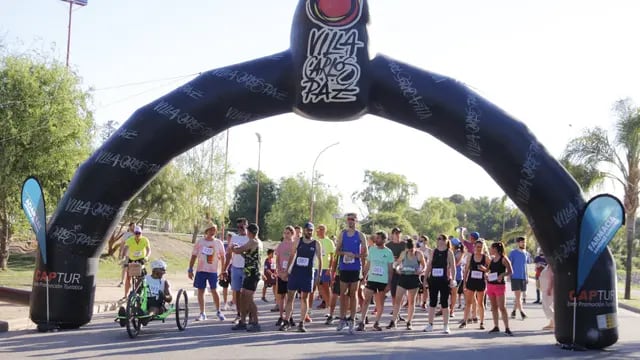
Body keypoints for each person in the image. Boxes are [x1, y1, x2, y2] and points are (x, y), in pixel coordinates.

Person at [281, 222, 323, 332]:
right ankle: (286, 321)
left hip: (308, 274)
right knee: (290, 297)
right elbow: (292, 255)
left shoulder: (316, 243)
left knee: (305, 298)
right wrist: (287, 271)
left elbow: (320, 260)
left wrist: (319, 275)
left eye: (311, 230)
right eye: (307, 230)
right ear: (303, 230)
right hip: (296, 272)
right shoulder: (298, 241)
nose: (309, 232)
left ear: (313, 231)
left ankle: (301, 322)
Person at [335, 212, 368, 333]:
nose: (350, 221)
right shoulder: (342, 234)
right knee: (342, 294)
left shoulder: (360, 235)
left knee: (353, 294)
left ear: (356, 221)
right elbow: (337, 251)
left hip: (355, 268)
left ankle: (352, 320)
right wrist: (345, 253)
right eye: (349, 219)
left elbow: (366, 254)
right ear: (346, 221)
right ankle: (342, 319)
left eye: (353, 219)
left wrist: (356, 256)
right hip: (344, 267)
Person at [116, 259, 172, 327]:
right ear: (155, 269)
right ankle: (125, 316)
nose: (164, 272)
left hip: (157, 303)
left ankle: (146, 317)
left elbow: (169, 298)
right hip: (143, 301)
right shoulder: (144, 279)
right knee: (136, 307)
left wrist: (164, 296)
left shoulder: (164, 282)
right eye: (162, 270)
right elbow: (136, 291)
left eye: (164, 270)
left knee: (153, 309)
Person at [188, 224, 226, 321]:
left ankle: (218, 311)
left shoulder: (218, 243)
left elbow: (223, 257)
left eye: (214, 230)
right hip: (201, 270)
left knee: (214, 290)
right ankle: (202, 313)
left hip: (212, 271)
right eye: (211, 230)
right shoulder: (200, 242)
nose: (212, 232)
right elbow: (194, 255)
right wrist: (190, 269)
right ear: (207, 231)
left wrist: (223, 270)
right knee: (201, 291)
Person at [358, 231, 394, 331]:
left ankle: (376, 322)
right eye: (376, 238)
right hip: (372, 279)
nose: (376, 240)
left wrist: (389, 284)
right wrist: (364, 278)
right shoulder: (372, 250)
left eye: (378, 238)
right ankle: (362, 322)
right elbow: (368, 264)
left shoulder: (388, 252)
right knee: (366, 301)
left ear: (384, 240)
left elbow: (390, 270)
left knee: (379, 304)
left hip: (382, 281)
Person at [388, 238, 426, 330]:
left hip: (413, 278)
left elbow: (424, 266)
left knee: (411, 301)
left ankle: (409, 322)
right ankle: (393, 321)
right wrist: (397, 269)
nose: (410, 252)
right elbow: (397, 263)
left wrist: (420, 271)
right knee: (398, 300)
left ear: (415, 248)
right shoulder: (404, 253)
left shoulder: (419, 254)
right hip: (403, 277)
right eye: (409, 250)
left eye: (412, 250)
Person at [230, 222, 262, 332]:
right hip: (248, 272)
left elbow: (239, 251)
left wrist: (233, 248)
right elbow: (246, 254)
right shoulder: (253, 242)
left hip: (253, 273)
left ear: (250, 232)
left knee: (249, 299)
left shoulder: (253, 242)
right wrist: (238, 250)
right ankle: (242, 321)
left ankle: (256, 322)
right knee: (243, 297)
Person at [424, 234, 456, 334]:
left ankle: (446, 326)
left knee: (444, 303)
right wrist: (425, 278)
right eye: (438, 239)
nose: (440, 240)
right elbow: (429, 265)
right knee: (432, 302)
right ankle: (430, 324)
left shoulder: (449, 252)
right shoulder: (434, 251)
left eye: (442, 239)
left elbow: (453, 267)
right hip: (433, 280)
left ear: (446, 241)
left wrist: (453, 280)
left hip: (444, 280)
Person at [222, 218, 250, 325]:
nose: (240, 229)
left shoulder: (250, 238)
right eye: (238, 227)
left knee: (246, 293)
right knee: (237, 292)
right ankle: (239, 314)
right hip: (235, 267)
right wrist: (224, 269)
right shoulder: (234, 237)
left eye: (242, 227)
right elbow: (228, 254)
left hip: (247, 268)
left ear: (246, 226)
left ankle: (248, 314)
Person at [460, 240, 490, 330]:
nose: (479, 248)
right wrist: (464, 282)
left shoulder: (486, 257)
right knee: (468, 302)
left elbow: (492, 268)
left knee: (480, 303)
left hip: (481, 282)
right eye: (477, 247)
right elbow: (466, 270)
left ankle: (481, 322)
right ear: (474, 247)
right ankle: (464, 321)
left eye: (480, 247)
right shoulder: (470, 257)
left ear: (483, 247)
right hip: (471, 281)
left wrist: (485, 270)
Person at [487, 241, 514, 336]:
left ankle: (507, 328)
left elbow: (511, 271)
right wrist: (486, 274)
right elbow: (489, 270)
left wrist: (502, 275)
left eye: (491, 248)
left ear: (496, 249)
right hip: (490, 285)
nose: (490, 249)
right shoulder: (492, 259)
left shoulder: (503, 258)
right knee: (493, 307)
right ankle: (496, 326)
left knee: (502, 307)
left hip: (499, 286)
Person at [275, 226, 296, 327]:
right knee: (282, 296)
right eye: (285, 233)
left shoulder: (294, 245)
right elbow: (277, 259)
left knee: (290, 296)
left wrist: (289, 272)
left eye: (288, 233)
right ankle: (281, 316)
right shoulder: (280, 245)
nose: (286, 235)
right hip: (281, 274)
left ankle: (290, 316)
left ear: (292, 234)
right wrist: (280, 272)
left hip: (291, 274)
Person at [122, 226, 151, 299]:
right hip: (132, 259)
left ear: (141, 233)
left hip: (141, 259)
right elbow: (125, 249)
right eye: (136, 233)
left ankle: (139, 292)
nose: (137, 235)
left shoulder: (145, 240)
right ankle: (125, 295)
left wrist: (147, 257)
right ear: (134, 233)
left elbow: (148, 250)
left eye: (139, 233)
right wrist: (124, 257)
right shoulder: (130, 240)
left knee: (141, 276)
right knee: (128, 277)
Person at [386, 227, 407, 322]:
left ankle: (398, 312)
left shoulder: (404, 245)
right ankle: (396, 313)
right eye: (395, 233)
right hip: (392, 271)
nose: (397, 235)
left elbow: (409, 255)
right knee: (394, 294)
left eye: (398, 233)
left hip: (403, 271)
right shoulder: (388, 245)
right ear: (392, 234)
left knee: (402, 294)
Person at [315, 224, 336, 314]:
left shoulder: (329, 241)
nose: (320, 231)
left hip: (325, 267)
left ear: (325, 230)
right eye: (319, 229)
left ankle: (329, 307)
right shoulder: (315, 241)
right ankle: (326, 303)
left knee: (326, 287)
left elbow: (332, 256)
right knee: (319, 287)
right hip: (316, 267)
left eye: (322, 229)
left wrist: (330, 268)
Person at [509, 236, 530, 319]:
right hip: (515, 276)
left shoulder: (526, 253)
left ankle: (514, 311)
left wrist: (527, 276)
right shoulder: (513, 253)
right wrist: (509, 274)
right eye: (522, 242)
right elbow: (509, 264)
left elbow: (525, 266)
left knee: (519, 296)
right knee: (518, 296)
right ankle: (522, 312)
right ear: (518, 243)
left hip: (523, 277)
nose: (524, 244)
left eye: (525, 242)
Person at [118, 222, 136, 287]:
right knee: (124, 268)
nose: (134, 227)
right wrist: (120, 253)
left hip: (134, 255)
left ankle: (131, 283)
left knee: (133, 269)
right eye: (133, 226)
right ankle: (122, 281)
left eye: (135, 226)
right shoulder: (126, 234)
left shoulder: (137, 234)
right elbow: (122, 244)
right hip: (126, 254)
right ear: (130, 226)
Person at [540, 262, 554, 330]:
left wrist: (549, 288)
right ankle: (552, 323)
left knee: (547, 306)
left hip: (548, 289)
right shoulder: (548, 265)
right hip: (545, 288)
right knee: (548, 305)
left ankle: (555, 321)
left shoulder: (551, 266)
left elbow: (551, 278)